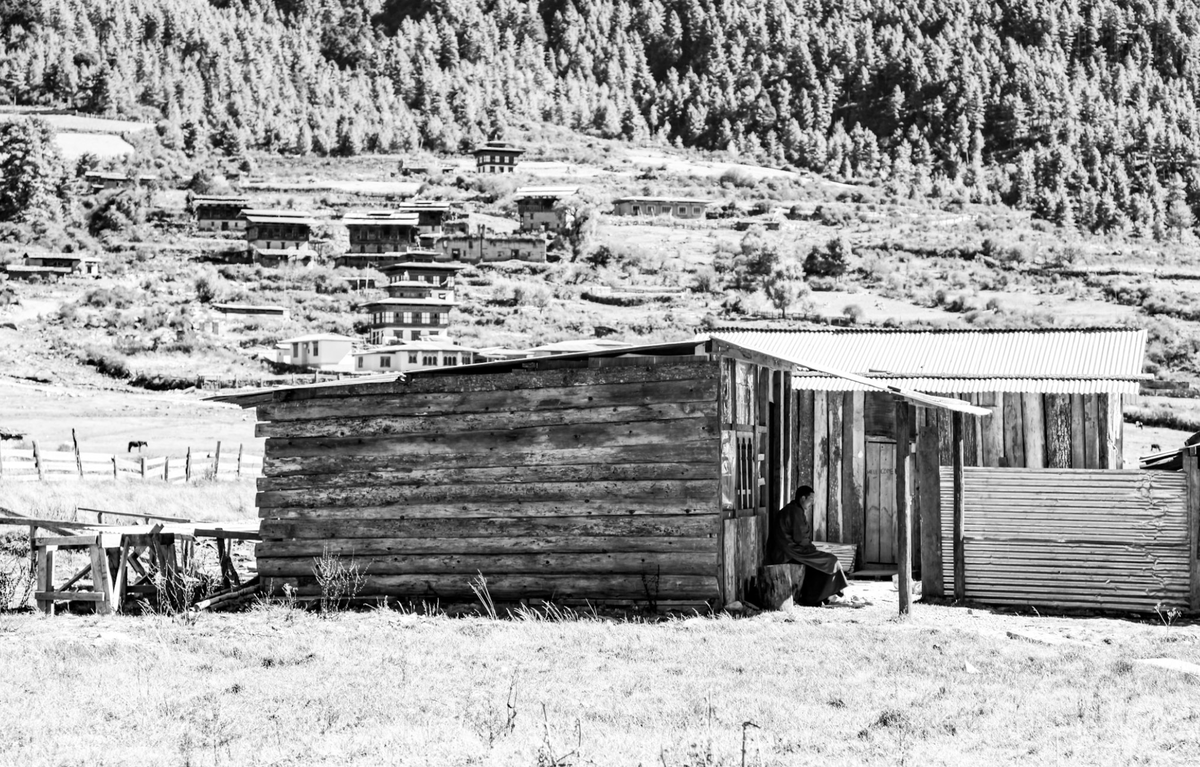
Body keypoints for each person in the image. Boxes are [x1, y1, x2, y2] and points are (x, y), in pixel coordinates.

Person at [766, 485, 849, 606]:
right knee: (831, 560)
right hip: (788, 552)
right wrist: (812, 550)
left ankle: (825, 594)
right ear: (802, 498)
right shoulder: (794, 511)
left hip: (788, 549)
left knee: (824, 559)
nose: (812, 503)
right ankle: (824, 595)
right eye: (811, 499)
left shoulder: (793, 509)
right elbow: (800, 539)